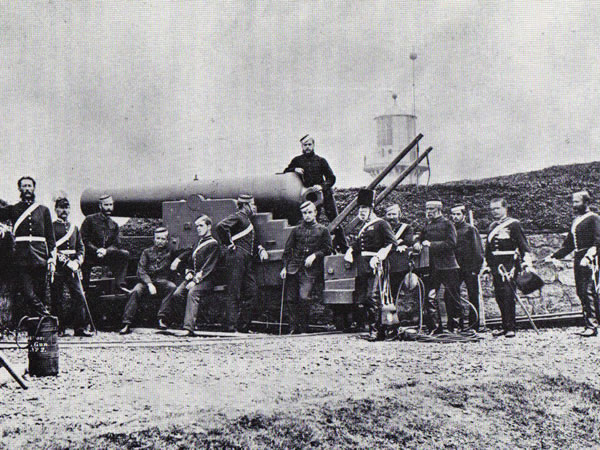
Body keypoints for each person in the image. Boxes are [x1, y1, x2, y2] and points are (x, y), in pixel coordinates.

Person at [344, 189, 397, 340]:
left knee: (373, 297)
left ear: (371, 209)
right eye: (360, 209)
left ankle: (377, 331)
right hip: (363, 266)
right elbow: (358, 244)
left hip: (376, 265)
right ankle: (372, 329)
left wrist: (379, 257)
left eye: (364, 209)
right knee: (365, 298)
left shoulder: (381, 224)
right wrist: (350, 251)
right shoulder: (364, 227)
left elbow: (391, 243)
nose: (361, 212)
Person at [545, 191, 600, 337]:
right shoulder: (576, 220)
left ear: (586, 202)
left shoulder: (593, 218)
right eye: (573, 202)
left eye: (577, 202)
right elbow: (568, 245)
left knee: (588, 291)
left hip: (590, 260)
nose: (574, 205)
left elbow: (597, 241)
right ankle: (590, 323)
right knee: (581, 291)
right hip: (578, 258)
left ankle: (592, 326)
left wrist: (588, 257)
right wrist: (553, 256)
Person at [0, 176, 55, 316]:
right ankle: (46, 316)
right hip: (21, 257)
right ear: (19, 189)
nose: (27, 189)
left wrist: (51, 258)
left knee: (40, 292)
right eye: (24, 186)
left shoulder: (43, 210)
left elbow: (50, 237)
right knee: (27, 292)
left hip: (40, 257)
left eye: (30, 186)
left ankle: (38, 330)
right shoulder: (13, 209)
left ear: (34, 188)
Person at [284, 134, 347, 251]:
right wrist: (294, 169)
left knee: (336, 221)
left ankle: (344, 248)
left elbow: (331, 178)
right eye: (305, 145)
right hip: (310, 198)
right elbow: (285, 172)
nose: (307, 147)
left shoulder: (321, 161)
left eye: (309, 144)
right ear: (301, 147)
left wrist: (322, 186)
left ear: (313, 145)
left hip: (325, 195)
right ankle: (315, 249)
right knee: (312, 222)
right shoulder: (297, 161)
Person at [216, 194, 269, 332]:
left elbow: (252, 240)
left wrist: (261, 249)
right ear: (245, 205)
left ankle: (243, 326)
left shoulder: (246, 220)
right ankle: (230, 327)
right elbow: (221, 226)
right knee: (234, 292)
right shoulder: (238, 216)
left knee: (252, 291)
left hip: (246, 258)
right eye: (252, 204)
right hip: (236, 256)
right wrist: (229, 244)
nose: (254, 207)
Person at [280, 201, 333, 334]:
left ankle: (303, 328)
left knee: (304, 297)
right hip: (293, 268)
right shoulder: (296, 230)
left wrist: (314, 255)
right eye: (304, 213)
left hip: (310, 271)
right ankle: (292, 328)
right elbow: (287, 251)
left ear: (315, 213)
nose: (307, 215)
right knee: (290, 299)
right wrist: (284, 267)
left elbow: (328, 249)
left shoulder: (322, 230)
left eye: (310, 212)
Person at [484, 198, 533, 338]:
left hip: (509, 264)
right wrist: (487, 265)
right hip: (495, 265)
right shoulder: (492, 226)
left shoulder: (514, 224)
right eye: (492, 209)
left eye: (497, 208)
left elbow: (523, 245)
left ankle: (511, 327)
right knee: (499, 295)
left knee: (508, 295)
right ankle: (505, 326)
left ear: (505, 208)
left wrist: (527, 262)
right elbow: (489, 249)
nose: (494, 212)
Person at [414, 200, 465, 334]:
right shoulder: (427, 225)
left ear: (438, 210)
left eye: (431, 210)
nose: (428, 212)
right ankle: (435, 328)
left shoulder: (448, 224)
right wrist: (417, 243)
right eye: (427, 210)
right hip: (431, 267)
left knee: (452, 296)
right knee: (430, 297)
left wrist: (431, 245)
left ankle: (455, 327)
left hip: (448, 266)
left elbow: (451, 243)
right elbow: (420, 237)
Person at [165, 216, 220, 337]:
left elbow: (208, 267)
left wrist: (195, 281)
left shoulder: (213, 244)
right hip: (194, 278)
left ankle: (188, 328)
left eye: (201, 226)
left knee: (192, 293)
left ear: (209, 226)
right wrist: (189, 272)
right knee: (177, 294)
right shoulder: (198, 243)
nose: (198, 229)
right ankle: (186, 322)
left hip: (207, 280)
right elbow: (191, 260)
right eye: (197, 226)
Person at [119, 227, 178, 335]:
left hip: (161, 281)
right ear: (154, 239)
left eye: (162, 239)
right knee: (135, 291)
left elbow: (186, 252)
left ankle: (162, 318)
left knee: (172, 287)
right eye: (158, 238)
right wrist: (149, 284)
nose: (159, 241)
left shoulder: (170, 252)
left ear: (166, 240)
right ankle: (126, 323)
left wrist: (178, 259)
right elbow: (141, 270)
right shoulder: (146, 252)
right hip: (145, 282)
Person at [50, 196, 92, 337]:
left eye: (67, 207)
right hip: (59, 268)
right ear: (56, 209)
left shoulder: (74, 228)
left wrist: (78, 261)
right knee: (57, 298)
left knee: (79, 296)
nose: (64, 211)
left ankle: (79, 328)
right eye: (61, 207)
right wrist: (66, 262)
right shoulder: (51, 227)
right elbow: (50, 248)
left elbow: (81, 247)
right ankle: (59, 328)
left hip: (73, 268)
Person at [446, 204, 484, 331]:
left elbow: (478, 250)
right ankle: (457, 325)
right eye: (453, 215)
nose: (455, 217)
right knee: (452, 295)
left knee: (472, 295)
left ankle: (474, 325)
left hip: (469, 267)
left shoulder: (470, 230)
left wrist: (476, 268)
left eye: (458, 214)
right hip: (454, 268)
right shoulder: (450, 229)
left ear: (464, 215)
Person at [80, 194, 129, 293]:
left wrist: (106, 251)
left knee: (124, 254)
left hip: (106, 255)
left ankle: (120, 285)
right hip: (91, 255)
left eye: (111, 205)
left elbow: (116, 244)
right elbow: (84, 239)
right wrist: (96, 250)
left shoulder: (114, 224)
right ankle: (84, 288)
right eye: (106, 205)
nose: (109, 208)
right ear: (100, 206)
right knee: (84, 261)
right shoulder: (90, 220)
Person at [384, 203, 414, 297]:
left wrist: (398, 243)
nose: (391, 217)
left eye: (394, 214)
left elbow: (408, 241)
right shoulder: (382, 227)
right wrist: (398, 242)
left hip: (397, 263)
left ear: (399, 215)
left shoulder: (406, 228)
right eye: (389, 215)